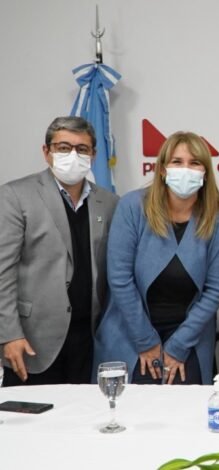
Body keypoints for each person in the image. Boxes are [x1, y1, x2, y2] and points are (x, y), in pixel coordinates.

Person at [93, 131, 219, 385]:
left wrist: (178, 346)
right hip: (131, 330)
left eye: (194, 163)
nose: (185, 169)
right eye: (177, 162)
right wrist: (146, 341)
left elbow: (215, 291)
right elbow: (120, 278)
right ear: (162, 170)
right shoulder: (133, 206)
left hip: (188, 336)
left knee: (186, 400)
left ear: (205, 172)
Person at [0, 117, 119, 385]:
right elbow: (2, 273)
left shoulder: (109, 202)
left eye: (82, 149)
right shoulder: (16, 196)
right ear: (47, 152)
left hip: (89, 339)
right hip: (31, 340)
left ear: (93, 155)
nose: (73, 155)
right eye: (63, 148)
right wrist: (8, 334)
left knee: (84, 411)